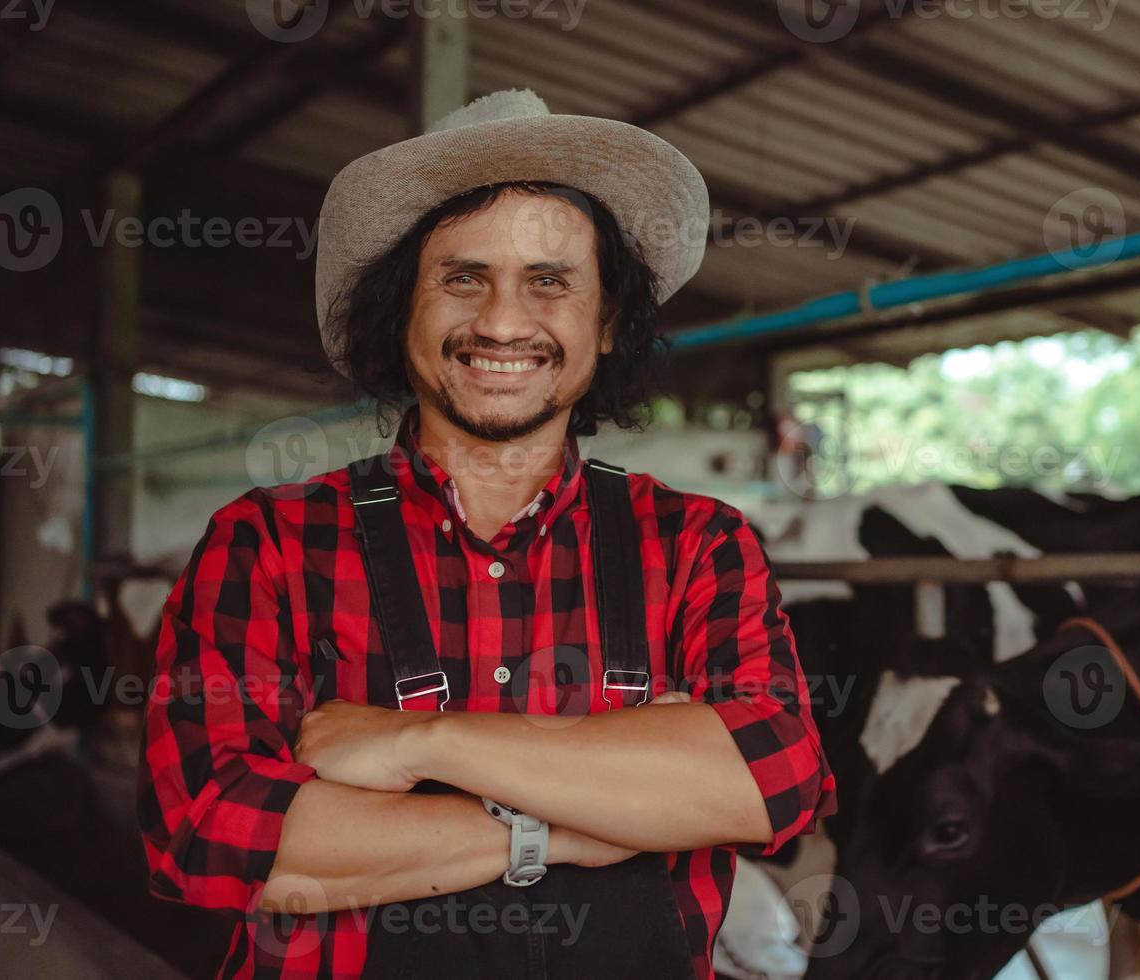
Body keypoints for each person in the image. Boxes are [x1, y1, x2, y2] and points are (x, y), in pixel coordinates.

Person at [137, 89, 836, 980]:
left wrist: (418, 744)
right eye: (463, 278)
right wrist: (585, 821)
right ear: (403, 309)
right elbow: (210, 833)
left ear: (608, 320)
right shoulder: (268, 542)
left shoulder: (698, 541)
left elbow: (771, 779)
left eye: (550, 281)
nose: (504, 322)